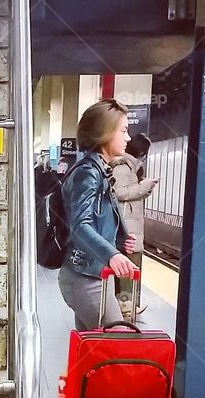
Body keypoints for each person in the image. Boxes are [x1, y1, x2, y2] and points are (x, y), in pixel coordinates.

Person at [58, 99, 139, 331]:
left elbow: (96, 219)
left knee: (92, 356)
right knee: (119, 345)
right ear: (105, 132)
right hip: (84, 278)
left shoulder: (99, 170)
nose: (128, 138)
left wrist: (120, 242)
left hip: (91, 275)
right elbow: (80, 225)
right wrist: (111, 254)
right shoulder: (88, 173)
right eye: (123, 130)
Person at [111, 133, 157, 320]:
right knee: (128, 266)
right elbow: (119, 193)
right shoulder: (123, 168)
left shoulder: (131, 168)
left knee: (131, 266)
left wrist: (146, 188)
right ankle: (125, 306)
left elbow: (131, 195)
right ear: (142, 152)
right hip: (127, 227)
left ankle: (128, 305)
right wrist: (143, 186)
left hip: (131, 225)